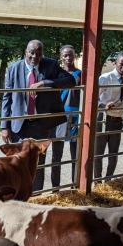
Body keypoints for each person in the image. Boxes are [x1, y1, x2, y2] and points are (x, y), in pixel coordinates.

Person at [1, 40, 75, 191]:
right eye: (32, 52)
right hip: (19, 125)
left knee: (39, 161)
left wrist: (44, 83)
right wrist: (4, 126)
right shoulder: (13, 68)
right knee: (17, 160)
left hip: (41, 125)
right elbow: (7, 98)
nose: (35, 56)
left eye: (39, 53)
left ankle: (37, 194)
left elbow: (71, 80)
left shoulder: (51, 65)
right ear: (25, 52)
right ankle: (19, 192)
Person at [94, 52, 123, 180]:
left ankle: (108, 179)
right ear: (116, 63)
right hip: (104, 118)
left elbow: (122, 94)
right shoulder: (105, 78)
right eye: (121, 64)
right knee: (99, 153)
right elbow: (94, 97)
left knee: (113, 153)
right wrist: (104, 105)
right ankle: (97, 181)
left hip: (117, 119)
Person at [51, 46, 81, 188]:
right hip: (59, 117)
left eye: (71, 55)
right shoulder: (56, 74)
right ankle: (55, 187)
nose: (68, 58)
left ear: (74, 56)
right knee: (57, 155)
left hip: (76, 117)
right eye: (65, 55)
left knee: (76, 155)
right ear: (61, 57)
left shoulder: (80, 75)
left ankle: (75, 185)